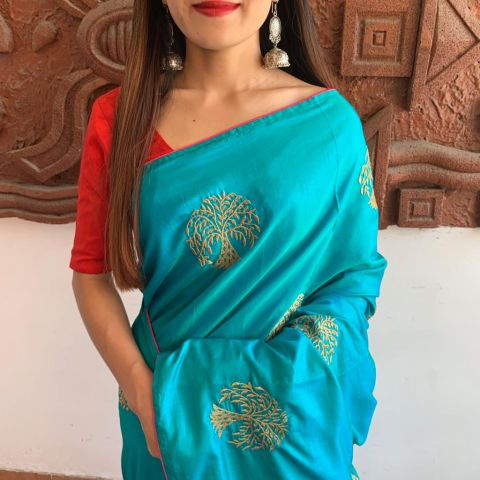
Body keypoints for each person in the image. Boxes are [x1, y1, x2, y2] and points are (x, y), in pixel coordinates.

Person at [69, 1, 388, 479]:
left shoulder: (328, 125)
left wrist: (296, 378)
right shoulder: (120, 117)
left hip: (293, 414)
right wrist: (142, 390)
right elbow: (90, 275)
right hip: (163, 411)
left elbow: (352, 281)